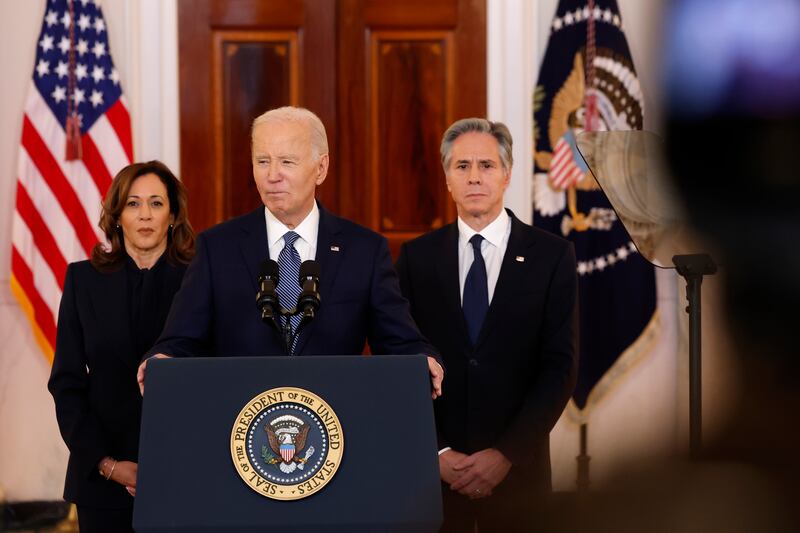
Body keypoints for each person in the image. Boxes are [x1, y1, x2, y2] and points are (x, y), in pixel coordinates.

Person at [137, 106, 443, 396]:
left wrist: (423, 360)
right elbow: (181, 339)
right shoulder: (218, 247)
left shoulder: (364, 250)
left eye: (287, 161)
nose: (272, 175)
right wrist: (162, 358)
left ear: (320, 167)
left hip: (335, 423)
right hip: (239, 424)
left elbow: (399, 341)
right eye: (262, 161)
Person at [396, 118, 578, 532]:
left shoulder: (552, 256)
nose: (474, 177)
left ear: (507, 174)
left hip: (519, 475)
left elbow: (560, 367)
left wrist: (505, 454)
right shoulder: (416, 259)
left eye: (486, 165)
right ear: (446, 178)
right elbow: (400, 357)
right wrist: (435, 452)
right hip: (433, 478)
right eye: (461, 167)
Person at [48, 161, 195, 533]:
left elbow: (216, 377)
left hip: (187, 475)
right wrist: (107, 464)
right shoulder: (82, 280)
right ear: (116, 215)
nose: (145, 215)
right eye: (132, 204)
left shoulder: (199, 279)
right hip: (102, 480)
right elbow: (66, 384)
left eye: (157, 203)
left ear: (174, 215)